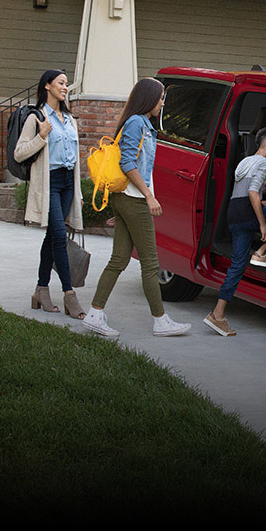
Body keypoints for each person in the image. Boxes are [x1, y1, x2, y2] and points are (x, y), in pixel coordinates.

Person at [81, 78, 191, 338]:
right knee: (151, 263)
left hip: (126, 200)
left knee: (119, 259)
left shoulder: (141, 124)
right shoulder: (136, 124)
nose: (162, 103)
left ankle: (95, 314)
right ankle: (160, 321)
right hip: (134, 200)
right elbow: (128, 163)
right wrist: (149, 196)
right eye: (161, 98)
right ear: (148, 98)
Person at [15, 69, 87, 320]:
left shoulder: (70, 119)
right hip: (50, 183)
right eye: (61, 83)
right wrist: (42, 136)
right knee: (58, 236)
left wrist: (77, 191)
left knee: (53, 235)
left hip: (68, 182)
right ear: (47, 86)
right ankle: (69, 295)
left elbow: (75, 161)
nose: (65, 87)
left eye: (67, 84)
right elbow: (19, 153)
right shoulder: (37, 118)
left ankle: (41, 290)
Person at [204, 126, 266, 337]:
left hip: (234, 212)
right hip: (248, 212)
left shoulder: (245, 161)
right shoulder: (265, 163)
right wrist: (264, 226)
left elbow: (245, 196)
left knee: (237, 265)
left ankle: (217, 314)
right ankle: (262, 252)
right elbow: (252, 193)